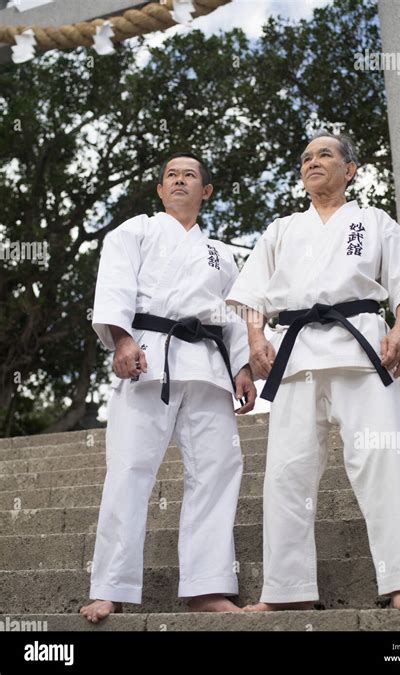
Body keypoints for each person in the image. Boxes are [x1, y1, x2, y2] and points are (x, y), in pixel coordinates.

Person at [226, 131, 400, 612]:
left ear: (350, 170)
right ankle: (286, 592)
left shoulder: (374, 221)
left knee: (383, 462)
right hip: (296, 353)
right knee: (286, 473)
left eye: (324, 154)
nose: (312, 162)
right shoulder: (282, 229)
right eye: (305, 157)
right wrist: (256, 338)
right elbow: (253, 294)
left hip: (362, 348)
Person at [80, 152, 256, 623]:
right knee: (130, 468)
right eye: (170, 176)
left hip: (207, 367)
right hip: (148, 358)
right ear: (160, 190)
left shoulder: (221, 252)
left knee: (218, 470)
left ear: (207, 191)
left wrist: (241, 366)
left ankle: (206, 586)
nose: (179, 181)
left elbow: (234, 313)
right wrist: (120, 339)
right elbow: (114, 286)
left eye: (190, 176)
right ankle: (111, 587)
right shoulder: (133, 231)